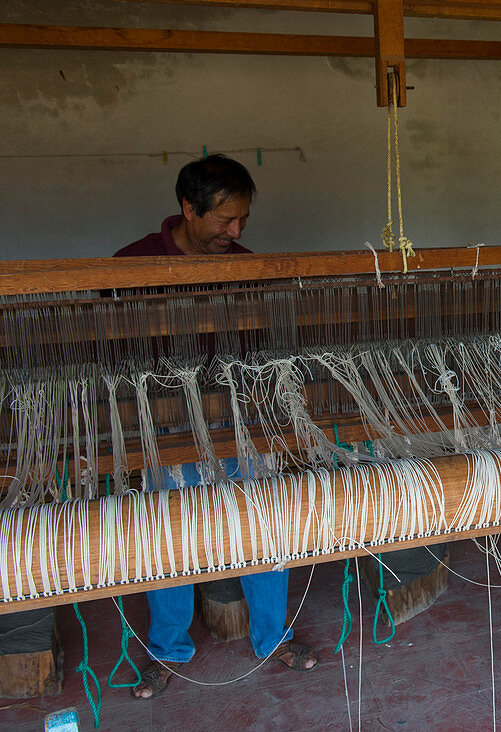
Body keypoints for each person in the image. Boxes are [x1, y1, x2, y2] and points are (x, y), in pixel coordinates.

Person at [116, 154, 318, 699]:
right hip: (169, 428)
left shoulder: (247, 269)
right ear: (187, 208)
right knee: (170, 533)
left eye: (243, 220)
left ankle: (272, 638)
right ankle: (166, 651)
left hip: (240, 421)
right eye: (225, 220)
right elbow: (109, 358)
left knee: (264, 525)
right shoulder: (129, 267)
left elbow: (267, 351)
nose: (236, 231)